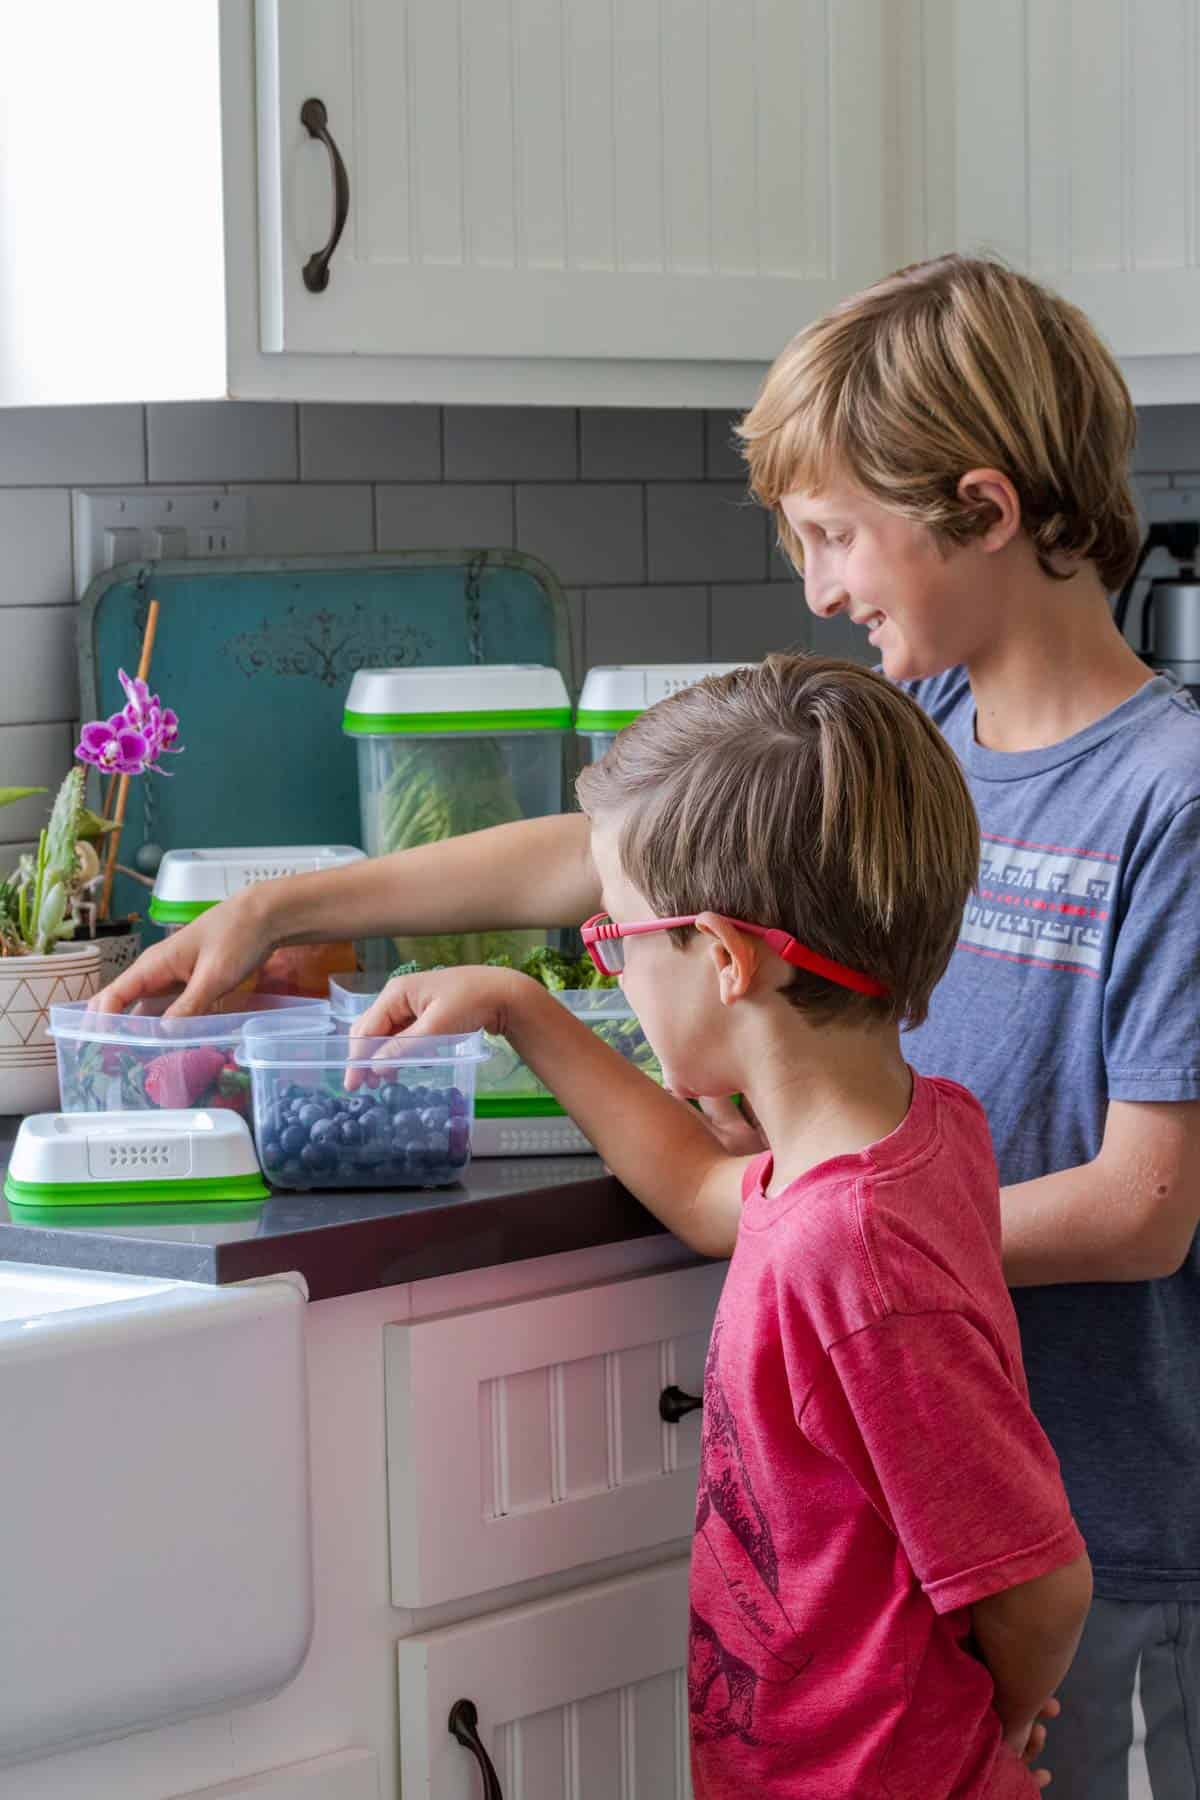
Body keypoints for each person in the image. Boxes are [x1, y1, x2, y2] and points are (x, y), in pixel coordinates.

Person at [101, 253, 1200, 1796]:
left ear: (986, 508)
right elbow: (614, 855)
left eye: (834, 535)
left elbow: (1149, 1209)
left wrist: (855, 1248)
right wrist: (296, 905)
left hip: (1094, 1508)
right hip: (887, 1511)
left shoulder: (1170, 797)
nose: (817, 587)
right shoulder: (920, 729)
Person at [347, 655, 1091, 1797]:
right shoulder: (907, 1142)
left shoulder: (853, 1257)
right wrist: (520, 1006)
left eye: (619, 940)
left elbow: (1037, 1582)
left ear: (726, 961)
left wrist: (1000, 1725)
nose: (616, 964)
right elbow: (706, 1196)